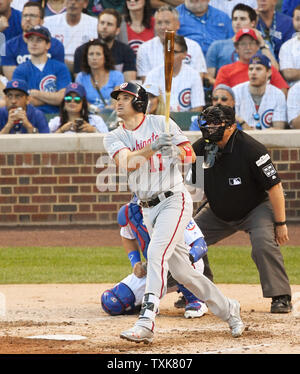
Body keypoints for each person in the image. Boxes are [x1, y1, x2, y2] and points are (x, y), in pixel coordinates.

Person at [103, 81, 245, 343]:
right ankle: (229, 309)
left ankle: (146, 322)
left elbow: (191, 156)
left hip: (174, 200)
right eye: (117, 98)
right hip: (147, 208)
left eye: (125, 97)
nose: (119, 102)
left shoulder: (162, 123)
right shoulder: (114, 135)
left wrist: (175, 151)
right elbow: (127, 163)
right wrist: (154, 147)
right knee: (183, 273)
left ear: (138, 102)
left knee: (156, 254)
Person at [188, 104, 292, 314]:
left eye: (216, 123)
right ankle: (198, 293)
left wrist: (280, 223)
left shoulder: (251, 149)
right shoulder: (199, 149)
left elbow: (275, 187)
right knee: (189, 239)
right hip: (218, 210)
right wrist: (186, 222)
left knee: (263, 244)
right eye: (208, 123)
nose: (210, 128)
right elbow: (194, 189)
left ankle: (280, 296)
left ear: (232, 127)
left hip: (255, 208)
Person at [101, 197, 209, 318]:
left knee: (178, 265)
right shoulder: (132, 212)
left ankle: (196, 299)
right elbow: (127, 235)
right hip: (156, 267)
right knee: (113, 301)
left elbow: (200, 245)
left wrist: (184, 263)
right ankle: (143, 300)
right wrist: (135, 262)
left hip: (185, 263)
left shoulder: (176, 209)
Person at [206, 3, 278, 84]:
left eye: (242, 19)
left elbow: (275, 72)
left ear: (253, 23)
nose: (238, 22)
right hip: (226, 92)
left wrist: (262, 44)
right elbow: (209, 78)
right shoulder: (217, 46)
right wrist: (226, 88)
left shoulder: (262, 45)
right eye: (235, 19)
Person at [136, 5, 207, 82]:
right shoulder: (144, 49)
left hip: (185, 92)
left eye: (167, 22)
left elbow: (198, 79)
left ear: (177, 25)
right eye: (159, 23)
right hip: (157, 93)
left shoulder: (193, 47)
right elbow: (147, 84)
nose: (163, 27)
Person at [12, 25, 71, 114]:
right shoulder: (20, 70)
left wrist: (35, 93)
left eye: (39, 40)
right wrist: (53, 98)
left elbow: (63, 98)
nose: (34, 44)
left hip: (57, 116)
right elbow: (21, 102)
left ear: (48, 45)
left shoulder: (60, 67)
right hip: (30, 117)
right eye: (31, 40)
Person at [1, 1, 65, 81]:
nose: (28, 19)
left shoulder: (55, 45)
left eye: (33, 16)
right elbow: (14, 79)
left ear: (42, 21)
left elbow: (58, 76)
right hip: (20, 91)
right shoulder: (9, 47)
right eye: (25, 16)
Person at [214, 28, 289, 95]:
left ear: (257, 46)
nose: (248, 47)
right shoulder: (225, 70)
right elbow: (219, 96)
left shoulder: (267, 68)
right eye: (243, 44)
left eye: (252, 43)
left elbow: (283, 91)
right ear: (236, 47)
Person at [144, 34, 204, 113]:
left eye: (174, 52)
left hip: (184, 122)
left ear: (184, 54)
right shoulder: (152, 75)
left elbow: (197, 107)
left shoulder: (193, 75)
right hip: (159, 120)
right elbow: (147, 105)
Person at [73, 8, 137, 82]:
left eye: (109, 24)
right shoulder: (82, 51)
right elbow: (80, 83)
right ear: (97, 26)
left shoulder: (126, 51)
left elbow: (130, 83)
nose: (104, 27)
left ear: (117, 30)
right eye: (102, 23)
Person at [233, 54, 287, 130]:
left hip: (269, 140)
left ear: (269, 72)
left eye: (258, 69)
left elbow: (278, 127)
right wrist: (242, 122)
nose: (253, 72)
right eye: (251, 69)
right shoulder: (236, 91)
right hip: (241, 139)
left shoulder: (278, 94)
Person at [43, 0, 98, 73]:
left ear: (85, 3)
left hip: (85, 68)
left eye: (77, 0)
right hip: (55, 67)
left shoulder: (95, 24)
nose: (73, 3)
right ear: (64, 2)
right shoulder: (48, 22)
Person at [75, 39, 124, 114]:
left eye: (98, 54)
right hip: (89, 117)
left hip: (111, 117)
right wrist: (96, 110)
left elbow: (117, 100)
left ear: (105, 57)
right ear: (86, 57)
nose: (94, 58)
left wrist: (109, 110)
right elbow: (79, 100)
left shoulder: (117, 76)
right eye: (91, 54)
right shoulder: (81, 77)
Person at [278, 5, 300, 87]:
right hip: (295, 94)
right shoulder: (287, 46)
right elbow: (288, 74)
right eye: (298, 19)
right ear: (293, 20)